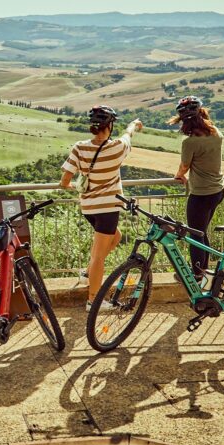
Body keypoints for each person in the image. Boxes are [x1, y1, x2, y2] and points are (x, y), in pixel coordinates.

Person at [59, 105, 142, 309]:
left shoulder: (80, 147)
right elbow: (128, 135)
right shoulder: (117, 148)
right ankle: (94, 300)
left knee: (116, 237)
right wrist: (133, 125)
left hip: (88, 207)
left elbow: (64, 181)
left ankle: (89, 273)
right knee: (98, 255)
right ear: (110, 126)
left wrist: (77, 187)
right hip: (108, 208)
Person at [170, 96, 224, 277]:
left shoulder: (190, 142)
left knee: (195, 236)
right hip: (218, 190)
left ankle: (197, 275)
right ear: (202, 113)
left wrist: (179, 176)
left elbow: (184, 166)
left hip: (201, 194)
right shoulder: (216, 133)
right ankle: (204, 271)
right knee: (200, 233)